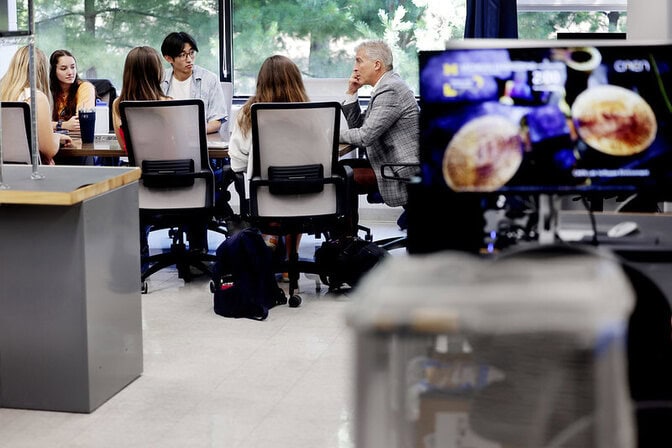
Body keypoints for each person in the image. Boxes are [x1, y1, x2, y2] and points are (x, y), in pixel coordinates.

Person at [228, 55, 309, 282]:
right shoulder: (313, 114)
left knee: (270, 190)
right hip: (309, 195)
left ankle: (270, 242)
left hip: (267, 197)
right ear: (296, 81)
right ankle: (290, 260)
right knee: (296, 196)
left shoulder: (247, 114)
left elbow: (237, 163)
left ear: (261, 81)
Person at [339, 40, 419, 229]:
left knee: (341, 176)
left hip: (401, 168)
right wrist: (351, 93)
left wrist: (330, 135)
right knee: (342, 167)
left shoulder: (390, 89)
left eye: (359, 61)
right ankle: (346, 241)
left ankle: (346, 242)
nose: (355, 68)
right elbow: (359, 127)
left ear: (377, 65)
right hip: (390, 162)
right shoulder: (386, 86)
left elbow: (364, 137)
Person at [0, 45, 72, 164]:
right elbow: (49, 150)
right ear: (42, 71)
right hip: (28, 174)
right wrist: (57, 137)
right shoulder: (35, 97)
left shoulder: (3, 92)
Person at [160, 31, 228, 134]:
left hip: (199, 139)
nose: (189, 59)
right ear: (168, 58)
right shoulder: (160, 80)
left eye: (191, 53)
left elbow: (216, 122)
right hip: (167, 140)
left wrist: (191, 133)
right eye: (182, 55)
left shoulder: (210, 79)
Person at [111, 46, 171, 151]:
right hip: (169, 166)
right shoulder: (168, 104)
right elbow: (175, 144)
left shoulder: (118, 104)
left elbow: (123, 146)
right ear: (156, 72)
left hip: (136, 167)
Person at [49, 49, 96, 134]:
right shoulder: (48, 89)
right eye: (63, 69)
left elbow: (81, 122)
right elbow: (36, 124)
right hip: (53, 140)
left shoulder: (85, 87)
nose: (70, 72)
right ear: (53, 71)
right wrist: (63, 125)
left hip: (78, 139)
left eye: (73, 67)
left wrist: (53, 125)